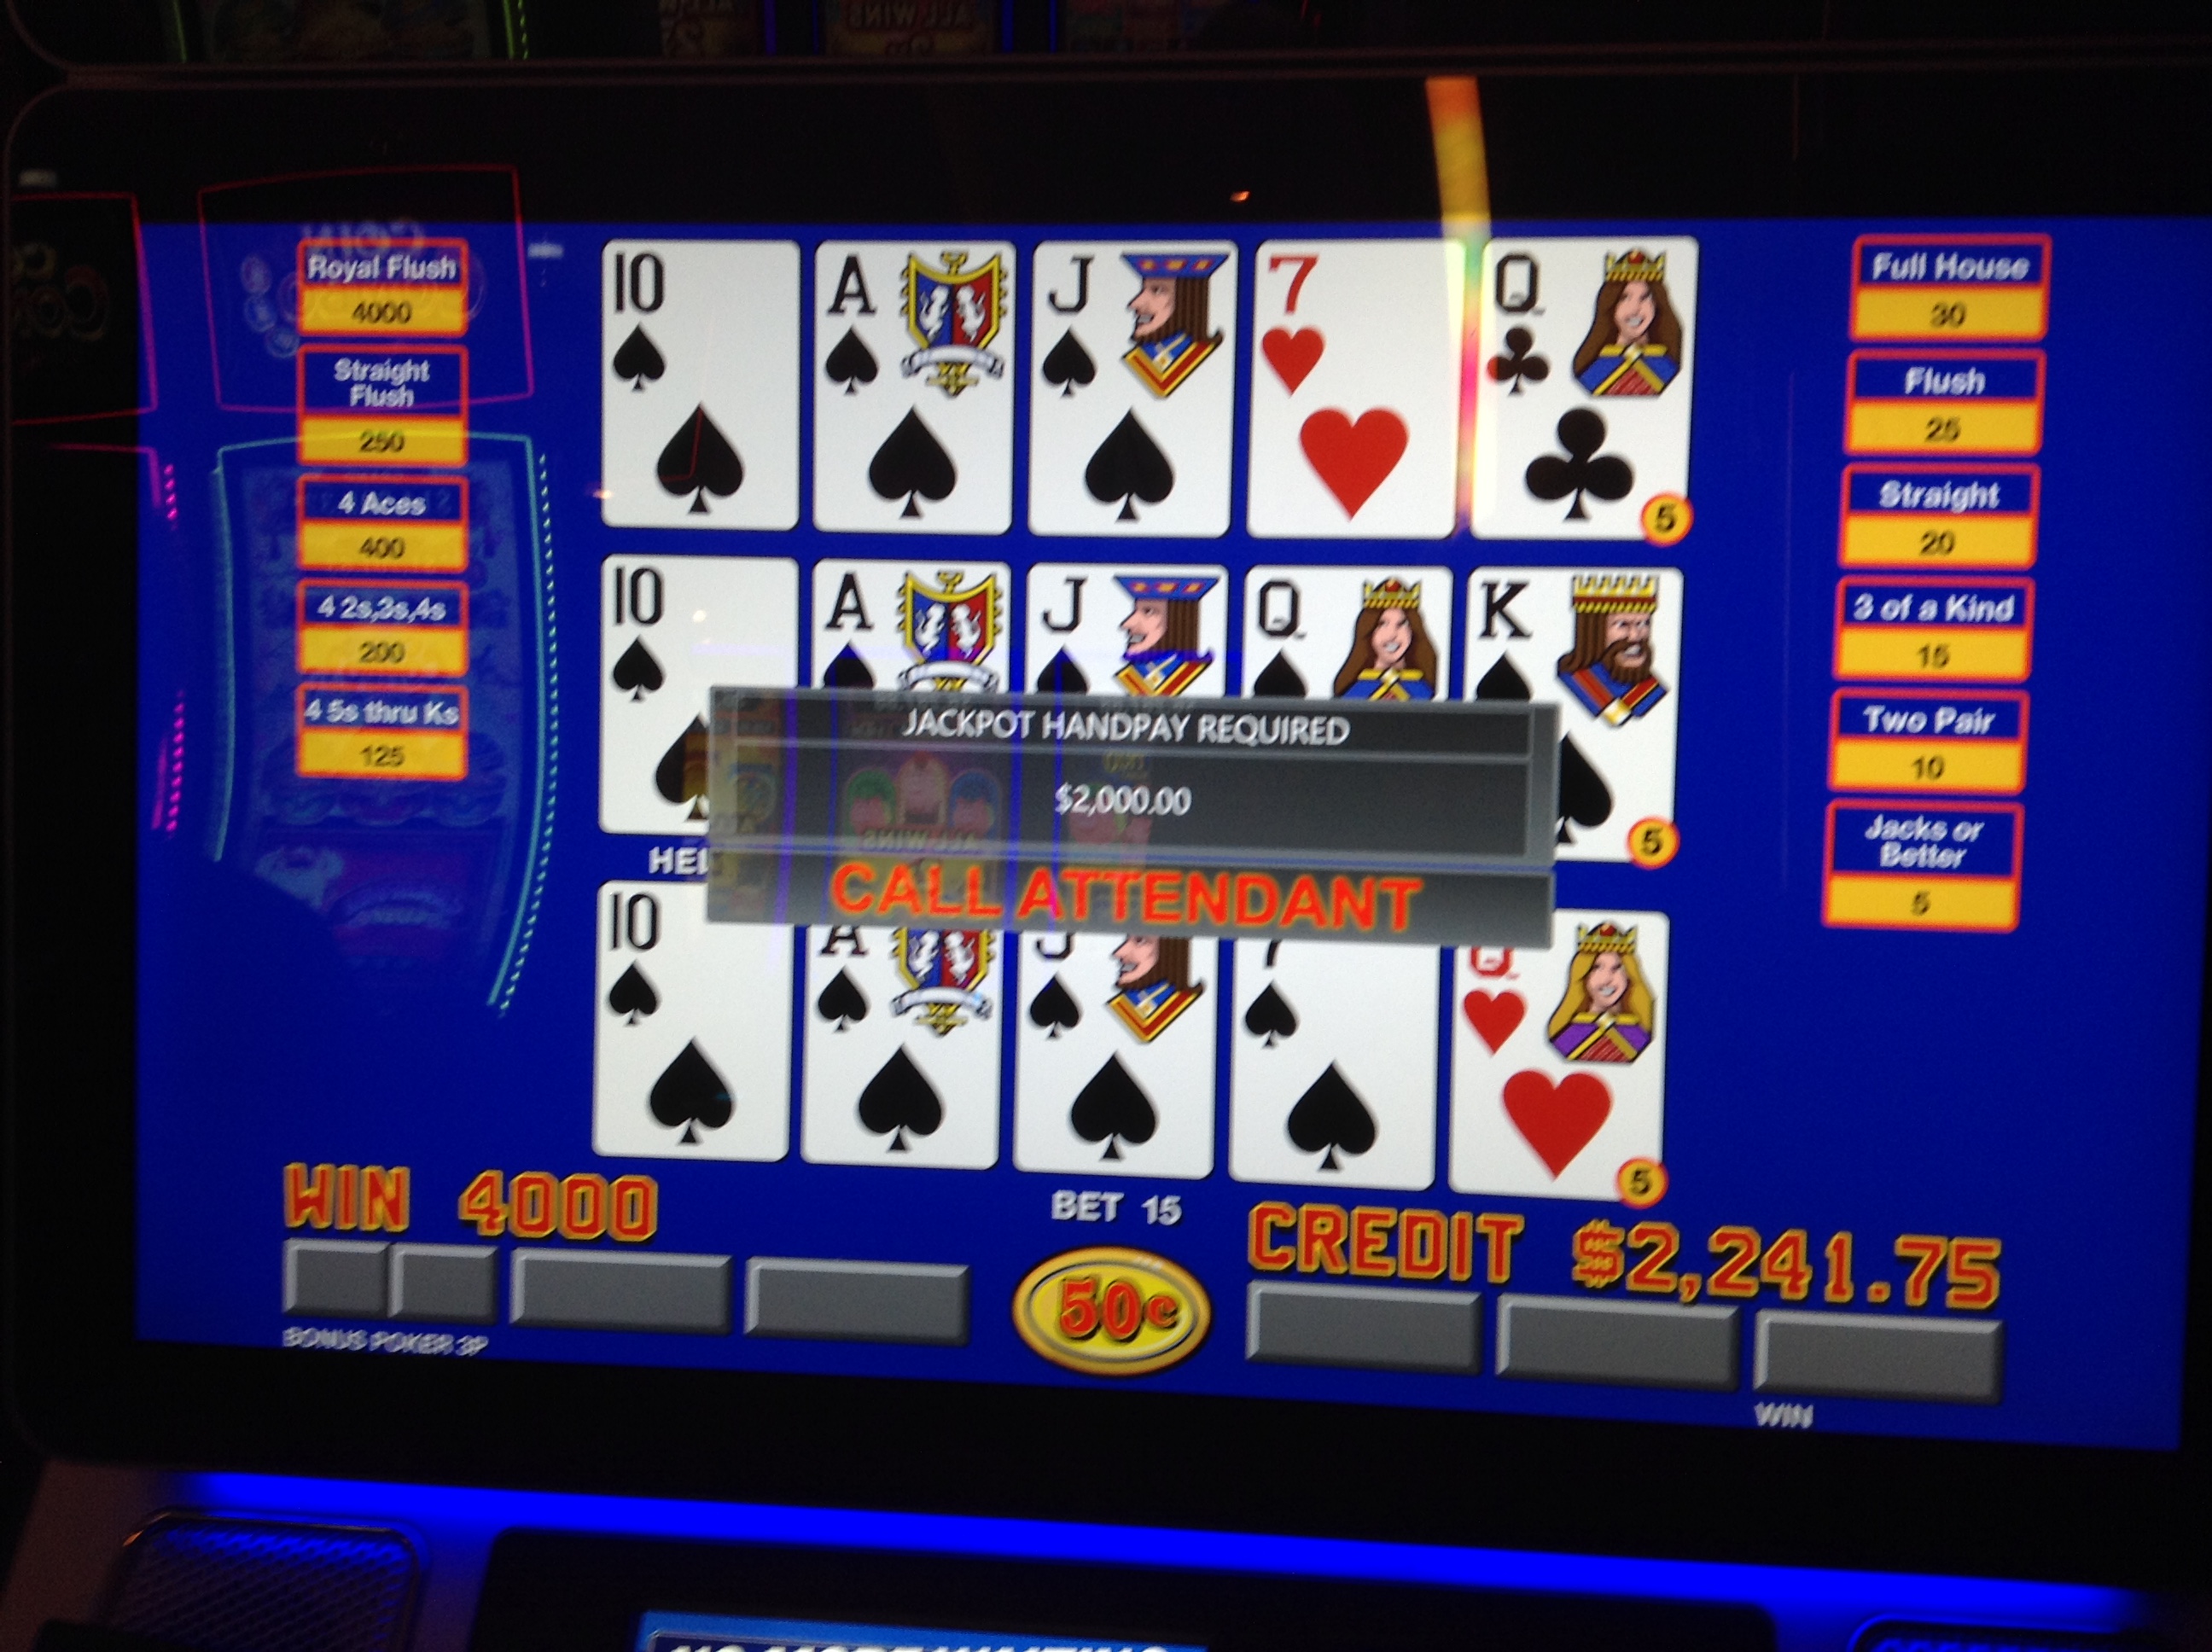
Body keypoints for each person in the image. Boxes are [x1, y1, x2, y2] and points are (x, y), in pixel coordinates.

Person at [1573, 249, 1684, 397]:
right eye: (1624, 298)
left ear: (1657, 304)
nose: (1635, 309)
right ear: (1610, 305)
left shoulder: (1670, 368)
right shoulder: (1592, 372)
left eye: (1645, 297)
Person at [1557, 573, 1666, 724]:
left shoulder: (1647, 685)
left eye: (1643, 624)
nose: (1635, 636)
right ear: (1594, 631)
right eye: (1622, 625)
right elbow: (1616, 720)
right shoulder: (1580, 681)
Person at [1545, 922, 1655, 1063]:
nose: (1607, 979)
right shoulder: (1566, 1036)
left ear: (1629, 975)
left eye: (1617, 968)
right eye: (1596, 968)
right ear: (1582, 975)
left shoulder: (1640, 1034)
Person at [1122, 253, 1226, 397]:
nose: (1135, 304)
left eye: (1157, 290)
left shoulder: (1204, 358)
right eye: (1144, 290)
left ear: (1187, 300)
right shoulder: (1141, 357)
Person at [1333, 579, 1439, 700]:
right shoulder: (1355, 692)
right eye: (1382, 624)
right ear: (1368, 630)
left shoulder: (1422, 690)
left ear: (1413, 630)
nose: (1392, 635)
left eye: (1402, 624)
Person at [1115, 573, 1217, 695]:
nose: (1127, 624)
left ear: (1178, 620)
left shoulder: (1192, 673)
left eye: (1148, 612)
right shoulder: (1136, 673)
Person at [1108, 934, 1204, 1042]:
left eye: (1140, 940)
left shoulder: (1179, 1005)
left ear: (1169, 951)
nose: (1119, 953)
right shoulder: (1129, 1002)